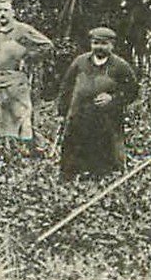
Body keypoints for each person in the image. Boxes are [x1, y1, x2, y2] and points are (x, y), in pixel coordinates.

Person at [54, 26, 140, 178]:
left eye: (104, 43)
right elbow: (66, 87)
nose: (99, 47)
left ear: (112, 45)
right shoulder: (80, 62)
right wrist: (62, 113)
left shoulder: (120, 66)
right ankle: (71, 182)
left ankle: (101, 180)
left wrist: (113, 98)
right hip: (78, 117)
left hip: (106, 121)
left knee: (104, 157)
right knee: (72, 156)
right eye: (96, 43)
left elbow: (132, 91)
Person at [0, 0, 53, 142]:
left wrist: (28, 58)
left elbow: (47, 45)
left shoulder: (22, 30)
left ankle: (25, 151)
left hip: (15, 81)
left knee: (20, 117)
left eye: (6, 10)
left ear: (13, 12)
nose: (2, 14)